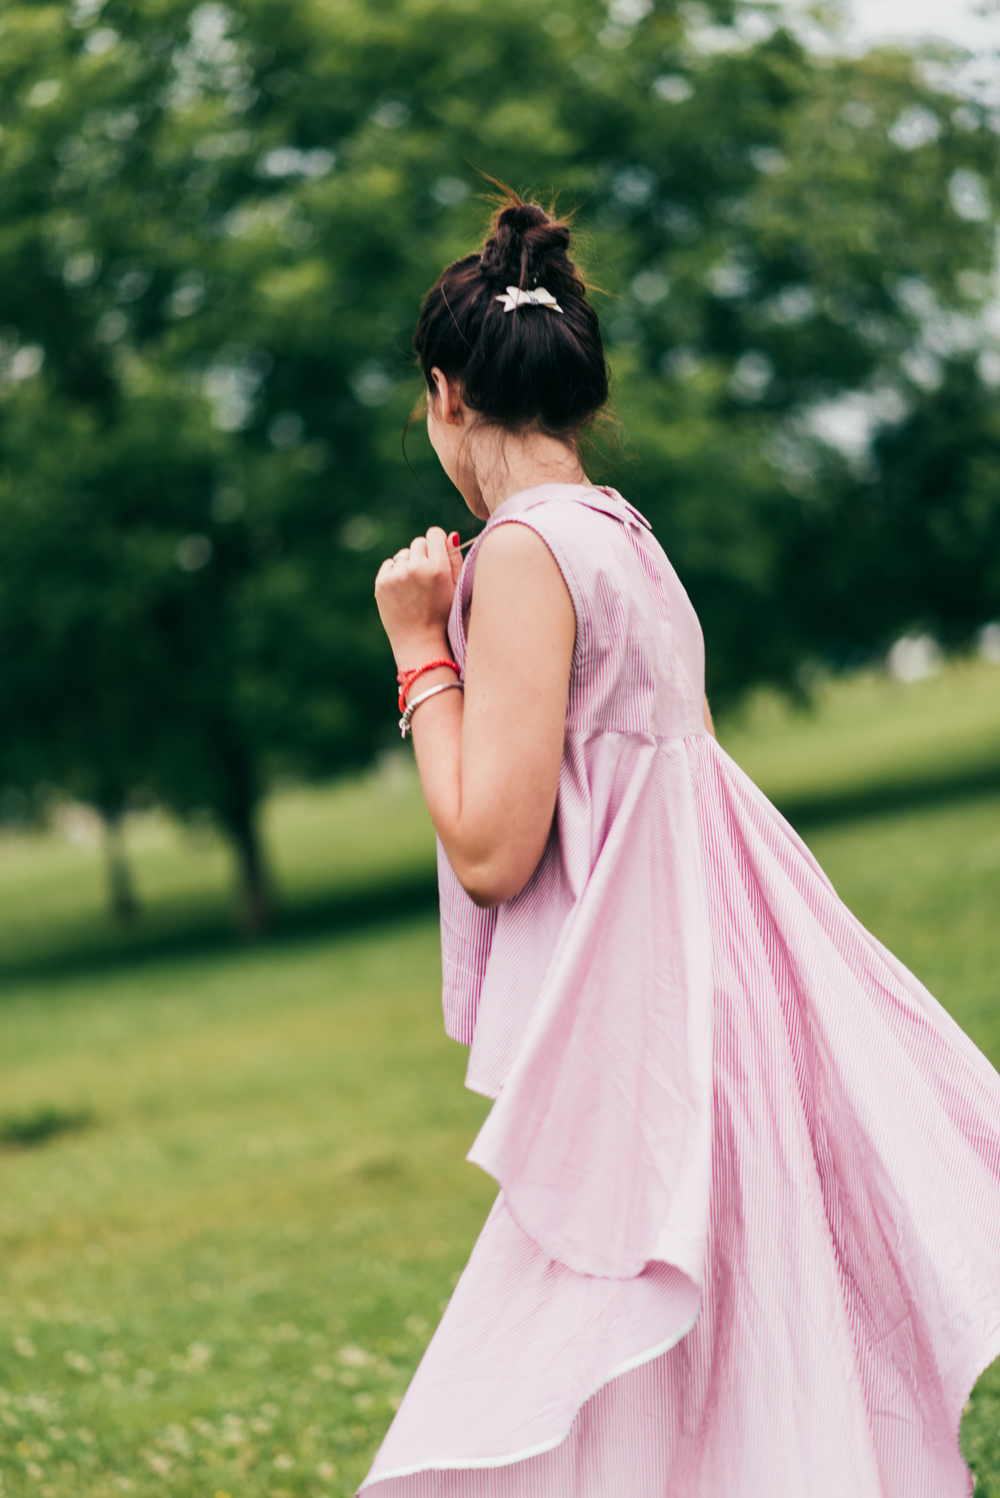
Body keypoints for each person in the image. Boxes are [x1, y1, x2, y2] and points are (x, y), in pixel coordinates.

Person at [365, 193, 1000, 1497]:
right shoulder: (628, 538)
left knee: (560, 1366)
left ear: (445, 394)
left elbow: (493, 843)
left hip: (642, 1034)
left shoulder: (531, 555)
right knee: (705, 1362)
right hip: (716, 1008)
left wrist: (420, 652)